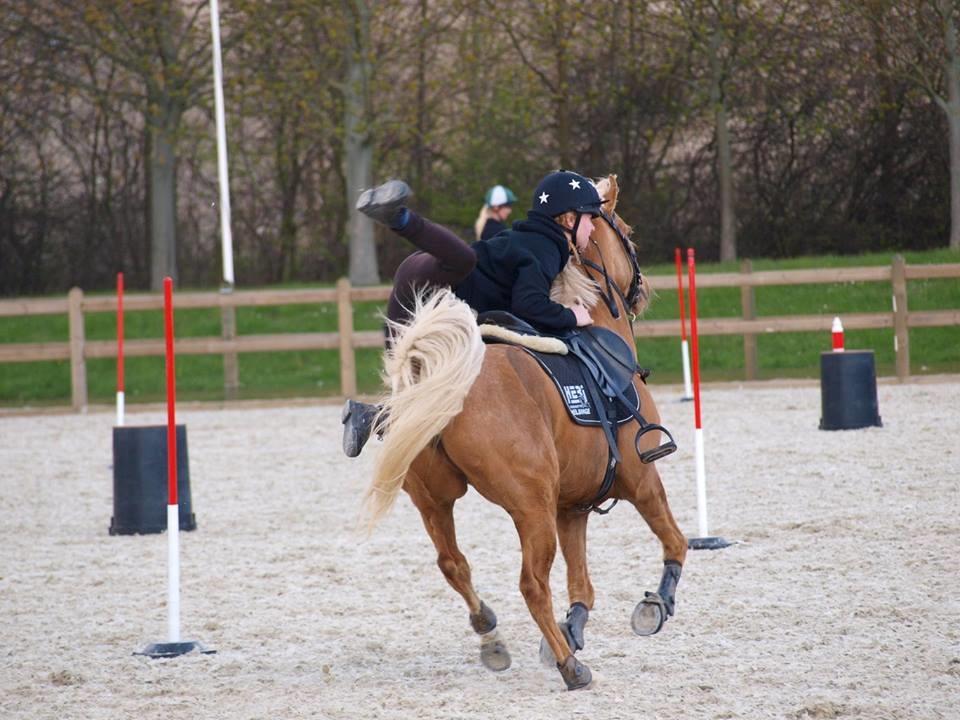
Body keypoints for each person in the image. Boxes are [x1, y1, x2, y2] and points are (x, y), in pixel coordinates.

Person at [341, 170, 603, 457]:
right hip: (435, 283)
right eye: (590, 219)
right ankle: (399, 218)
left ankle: (367, 417)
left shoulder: (526, 238)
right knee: (464, 260)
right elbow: (529, 303)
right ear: (569, 220)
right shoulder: (548, 248)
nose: (593, 228)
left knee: (423, 398)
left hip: (415, 278)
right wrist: (571, 316)